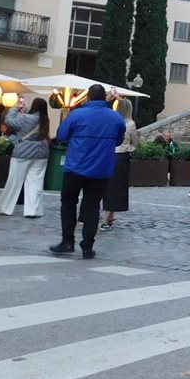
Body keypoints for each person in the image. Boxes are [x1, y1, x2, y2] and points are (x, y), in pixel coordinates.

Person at [51, 84, 125, 259]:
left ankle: (67, 241)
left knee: (68, 203)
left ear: (88, 97)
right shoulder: (115, 118)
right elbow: (118, 141)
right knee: (92, 207)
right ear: (104, 98)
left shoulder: (76, 114)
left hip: (75, 166)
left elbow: (61, 135)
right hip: (100, 169)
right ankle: (87, 246)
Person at [0, 97, 51, 218]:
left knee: (14, 181)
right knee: (35, 182)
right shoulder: (45, 119)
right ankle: (33, 210)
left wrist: (14, 110)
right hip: (41, 152)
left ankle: (6, 208)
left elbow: (9, 122)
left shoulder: (25, 118)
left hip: (23, 152)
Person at [101, 98, 138, 230]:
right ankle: (106, 220)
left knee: (107, 186)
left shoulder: (111, 120)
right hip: (121, 156)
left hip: (108, 154)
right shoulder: (130, 124)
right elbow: (135, 142)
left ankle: (109, 216)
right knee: (116, 188)